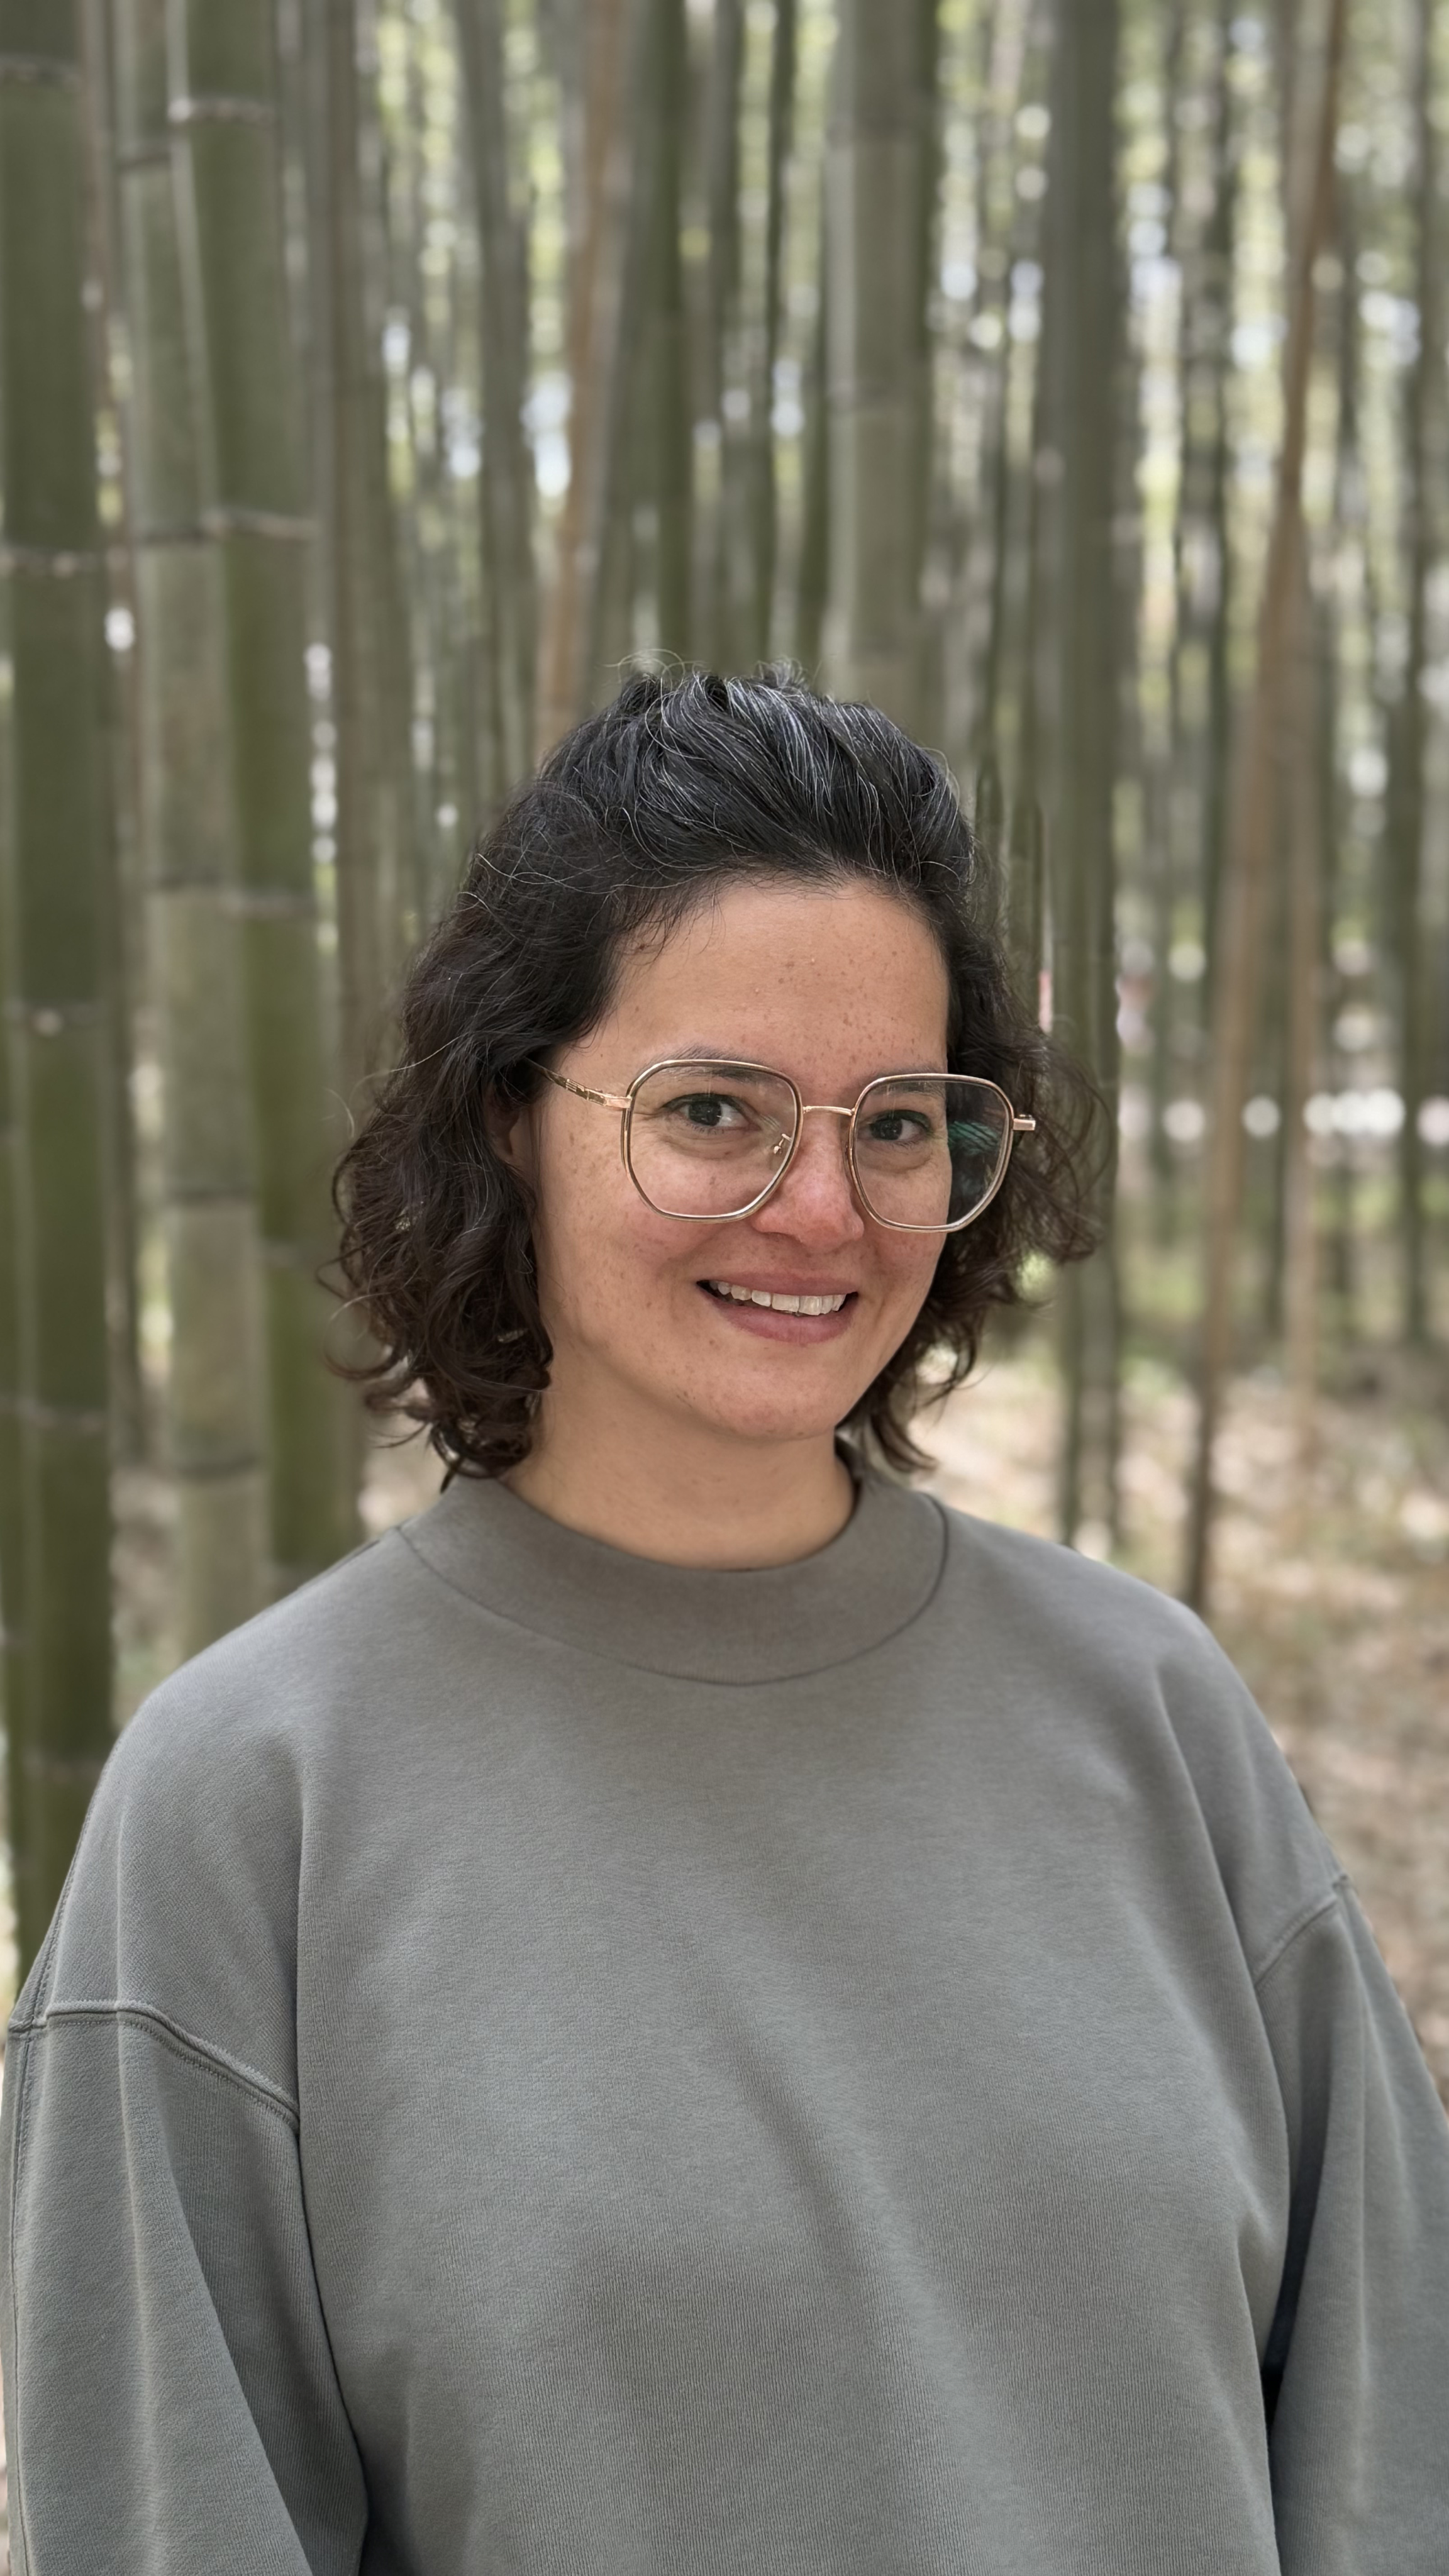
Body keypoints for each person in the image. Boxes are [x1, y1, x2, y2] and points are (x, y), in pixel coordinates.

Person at [3, 670, 1446, 2575]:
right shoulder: (248, 1806)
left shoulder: (1151, 1715)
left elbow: (1387, 2456)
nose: (821, 1209)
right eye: (712, 1110)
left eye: (901, 1121)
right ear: (512, 1117)